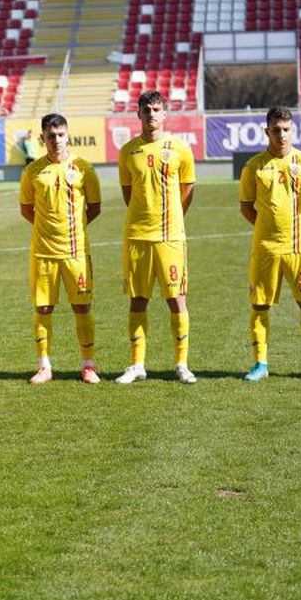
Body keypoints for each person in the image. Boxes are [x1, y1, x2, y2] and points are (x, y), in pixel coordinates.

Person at [115, 90, 197, 384]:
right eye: (146, 109)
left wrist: (172, 217)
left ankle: (181, 364)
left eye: (156, 109)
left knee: (176, 299)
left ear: (165, 114)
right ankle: (137, 365)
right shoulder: (127, 151)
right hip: (137, 236)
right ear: (138, 114)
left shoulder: (180, 148)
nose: (151, 114)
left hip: (170, 236)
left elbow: (187, 189)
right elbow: (129, 194)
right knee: (138, 300)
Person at [238, 107, 301, 381]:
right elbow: (245, 207)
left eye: (286, 129)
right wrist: (267, 228)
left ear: (292, 130)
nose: (281, 135)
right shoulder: (253, 166)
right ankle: (260, 364)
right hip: (265, 248)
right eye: (275, 130)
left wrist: (297, 227)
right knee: (259, 305)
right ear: (267, 131)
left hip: (300, 248)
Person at [19, 114, 102, 385]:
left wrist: (72, 230)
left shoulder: (83, 168)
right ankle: (44, 366)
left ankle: (88, 365)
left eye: (60, 135)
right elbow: (26, 209)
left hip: (76, 252)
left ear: (68, 136)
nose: (56, 140)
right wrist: (47, 229)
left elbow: (95, 207)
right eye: (51, 135)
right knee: (43, 309)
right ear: (42, 138)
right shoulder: (32, 172)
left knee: (82, 308)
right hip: (43, 253)